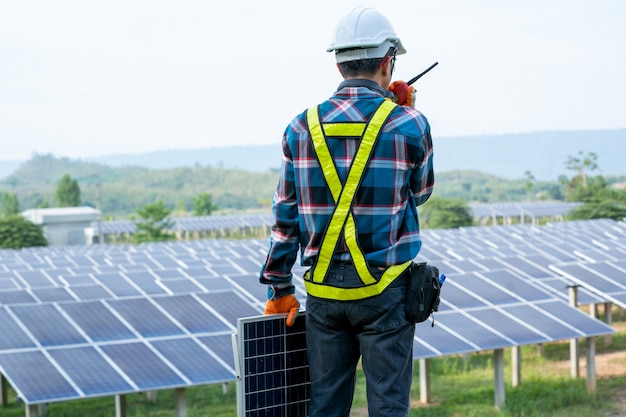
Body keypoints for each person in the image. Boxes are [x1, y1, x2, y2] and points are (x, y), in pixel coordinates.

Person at [259, 6, 434, 417]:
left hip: (322, 295)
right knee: (389, 407)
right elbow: (421, 192)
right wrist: (405, 110)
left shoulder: (300, 127)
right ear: (388, 61)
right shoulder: (410, 124)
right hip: (385, 292)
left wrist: (279, 289)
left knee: (324, 407)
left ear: (338, 63)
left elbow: (285, 217)